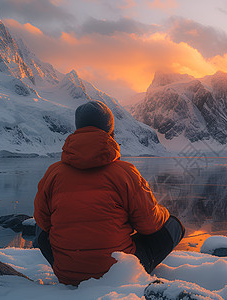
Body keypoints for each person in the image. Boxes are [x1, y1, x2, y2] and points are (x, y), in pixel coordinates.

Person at [34, 100, 184, 286]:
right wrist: (162, 212)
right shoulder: (125, 173)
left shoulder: (53, 173)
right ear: (110, 131)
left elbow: (43, 223)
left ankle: (73, 266)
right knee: (173, 225)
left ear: (77, 128)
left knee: (38, 228)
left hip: (67, 274)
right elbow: (150, 224)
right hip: (116, 274)